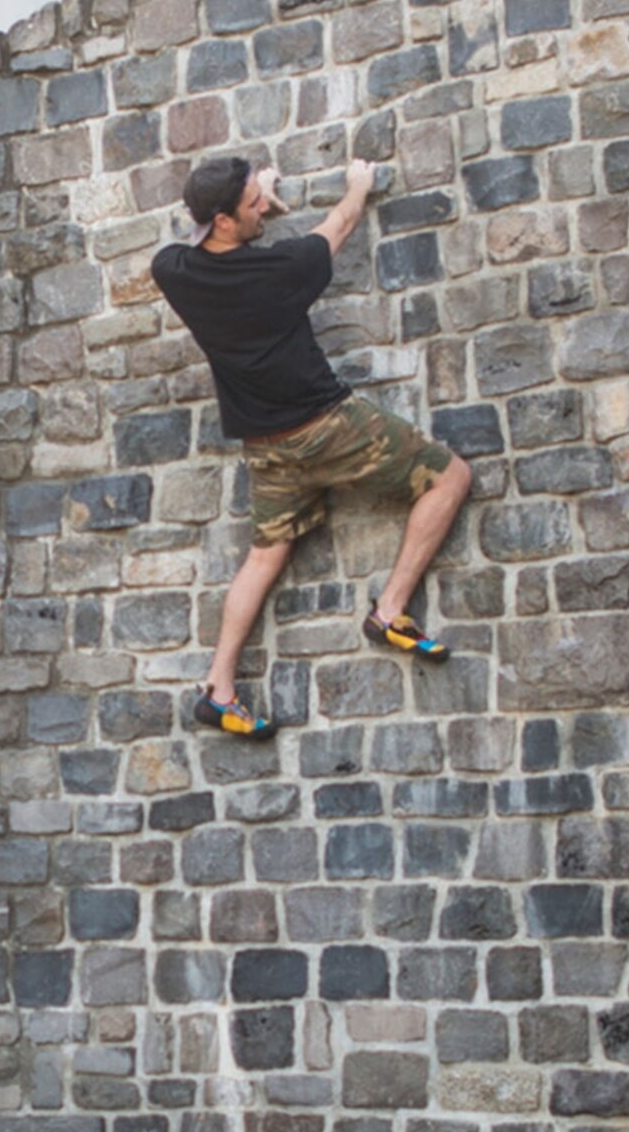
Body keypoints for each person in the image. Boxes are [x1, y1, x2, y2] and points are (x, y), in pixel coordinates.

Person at [149, 152, 475, 738]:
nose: (261, 210)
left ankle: (219, 688)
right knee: (450, 478)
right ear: (224, 219)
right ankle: (390, 611)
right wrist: (358, 185)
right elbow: (340, 225)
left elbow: (207, 243)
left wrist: (259, 199)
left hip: (265, 447)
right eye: (252, 205)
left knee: (267, 552)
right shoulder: (283, 270)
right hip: (326, 427)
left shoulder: (172, 270)